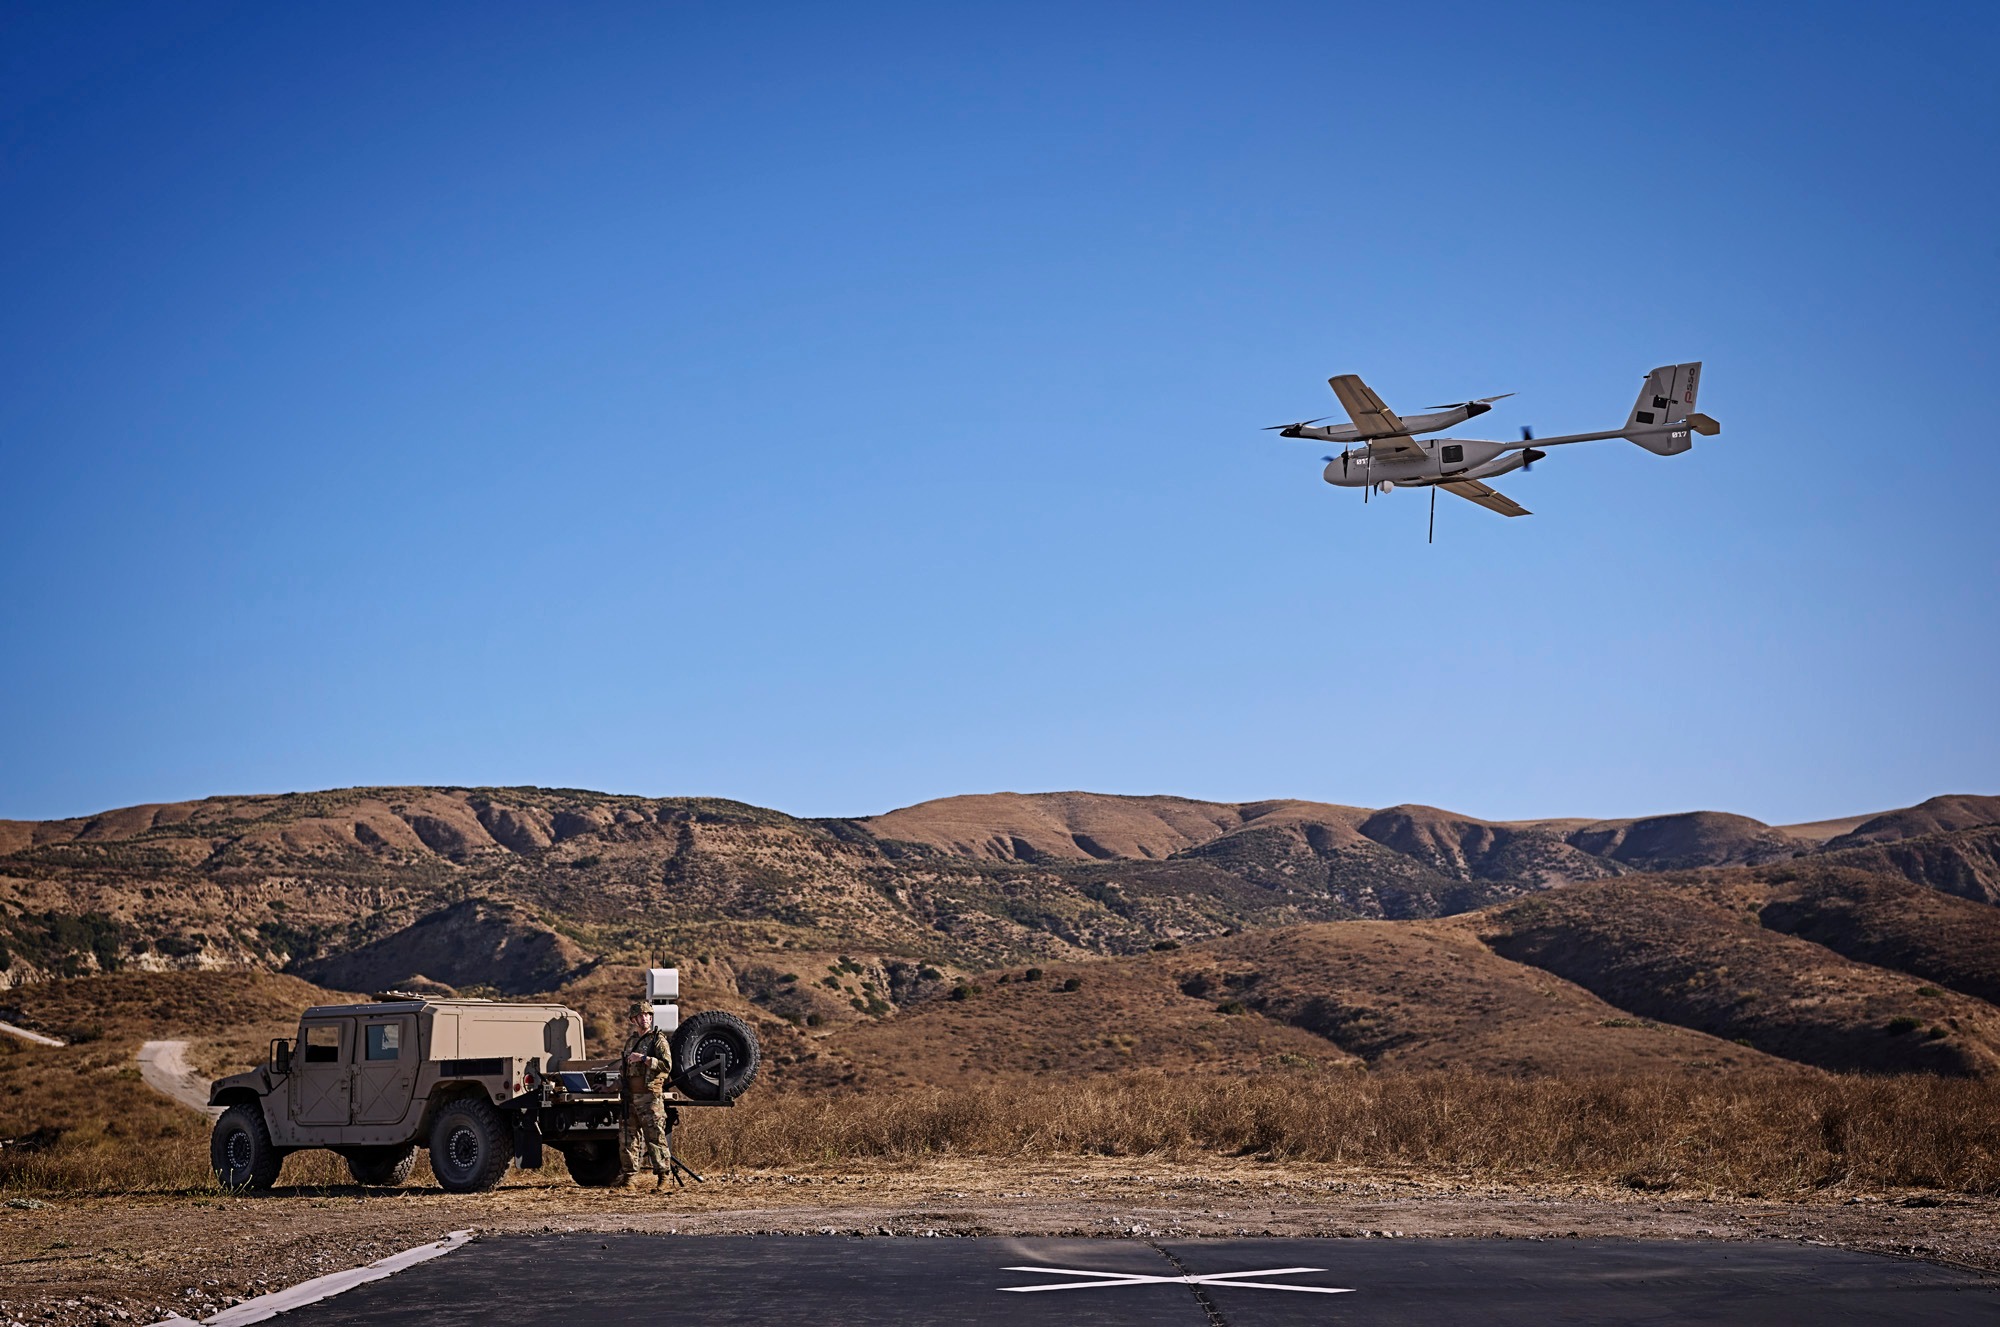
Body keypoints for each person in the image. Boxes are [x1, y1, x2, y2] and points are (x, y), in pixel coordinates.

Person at [618, 1000, 677, 1190]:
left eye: (648, 1015)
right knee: (628, 1140)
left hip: (650, 1097)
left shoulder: (657, 1040)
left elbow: (666, 1066)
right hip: (630, 1098)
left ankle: (663, 1178)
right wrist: (612, 1087)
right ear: (633, 1019)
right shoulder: (631, 1042)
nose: (645, 1018)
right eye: (641, 1015)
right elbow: (624, 1070)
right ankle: (629, 1179)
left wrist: (644, 1059)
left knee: (656, 1138)